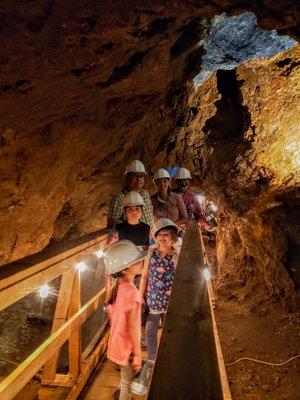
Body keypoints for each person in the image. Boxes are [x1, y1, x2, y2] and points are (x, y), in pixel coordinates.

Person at [104, 240, 147, 400]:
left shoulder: (118, 288)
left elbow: (112, 315)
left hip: (116, 344)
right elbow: (133, 327)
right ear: (127, 268)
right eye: (138, 261)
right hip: (127, 348)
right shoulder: (132, 293)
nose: (141, 262)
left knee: (124, 380)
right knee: (127, 388)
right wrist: (137, 353)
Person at [139, 218, 179, 363]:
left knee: (170, 331)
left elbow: (179, 279)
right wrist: (140, 295)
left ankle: (170, 359)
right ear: (155, 236)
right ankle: (151, 360)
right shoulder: (151, 253)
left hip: (169, 301)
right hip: (153, 300)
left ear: (172, 237)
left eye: (166, 234)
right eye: (159, 234)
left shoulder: (175, 256)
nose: (162, 238)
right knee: (150, 331)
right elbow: (144, 276)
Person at [107, 160, 153, 230]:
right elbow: (111, 222)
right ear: (127, 177)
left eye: (141, 176)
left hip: (149, 236)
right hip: (132, 237)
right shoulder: (119, 198)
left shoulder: (145, 194)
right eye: (135, 175)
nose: (139, 179)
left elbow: (150, 216)